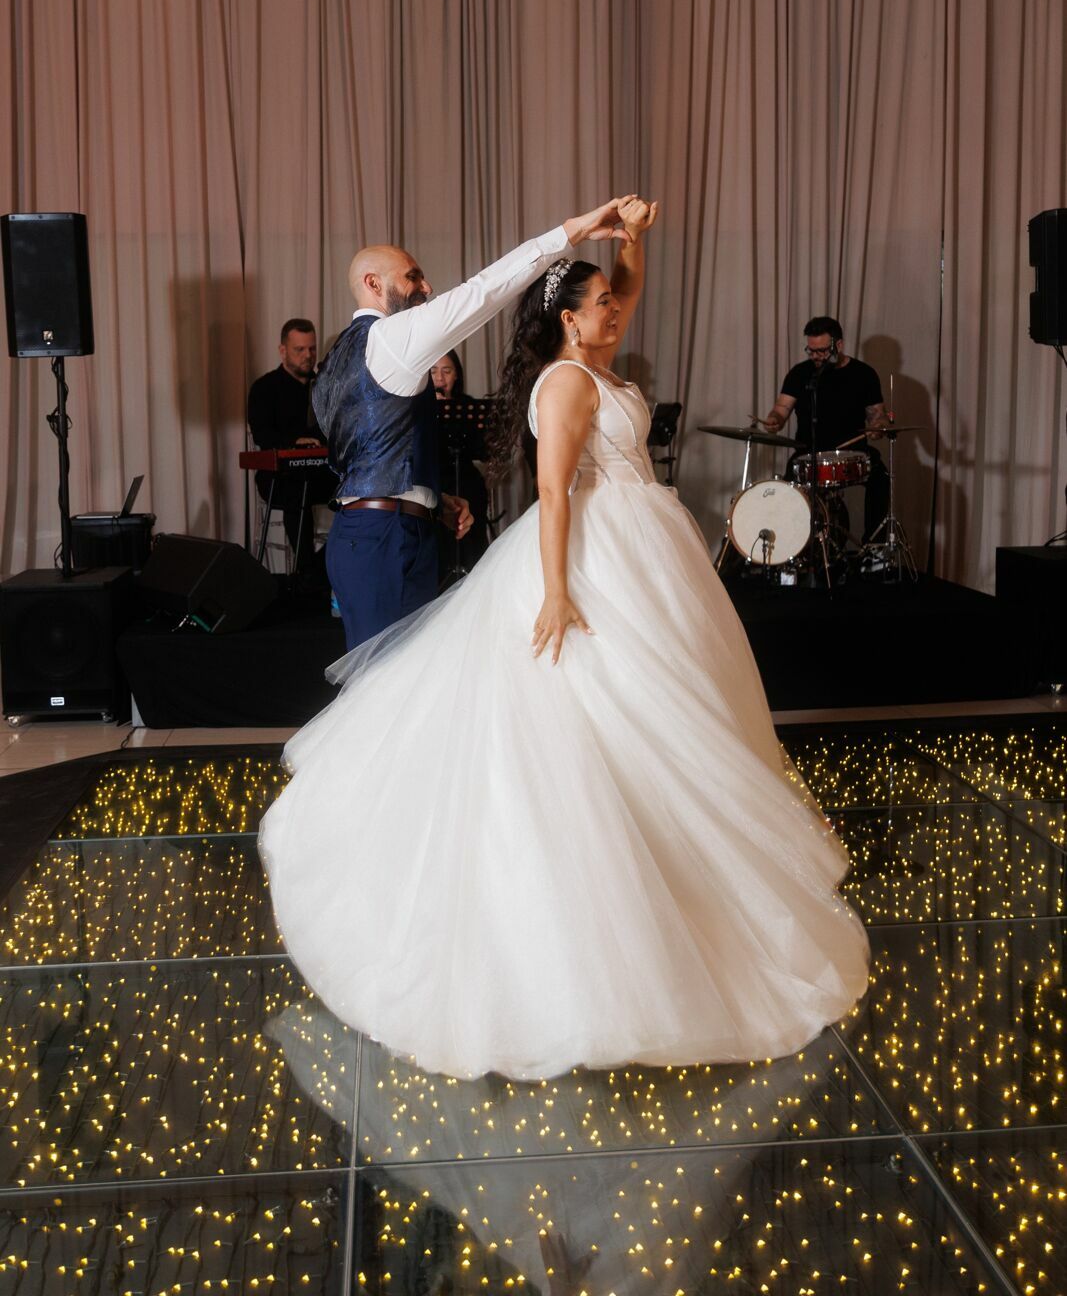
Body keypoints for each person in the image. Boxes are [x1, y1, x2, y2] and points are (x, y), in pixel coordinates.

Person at [260, 196, 870, 1082]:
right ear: (564, 318)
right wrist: (552, 593)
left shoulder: (598, 366)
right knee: (583, 712)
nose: (611, 311)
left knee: (661, 711)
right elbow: (553, 492)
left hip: (640, 551)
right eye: (593, 305)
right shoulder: (560, 381)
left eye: (611, 304)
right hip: (589, 555)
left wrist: (632, 250)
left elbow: (622, 291)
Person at [311, 202, 635, 651]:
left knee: (391, 687)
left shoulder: (334, 362)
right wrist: (571, 231)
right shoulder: (393, 338)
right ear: (373, 284)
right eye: (412, 277)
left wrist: (426, 497)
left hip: (363, 535)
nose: (426, 287)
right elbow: (484, 291)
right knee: (386, 691)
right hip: (387, 542)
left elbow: (366, 446)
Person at [760, 316, 891, 542]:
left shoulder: (863, 374)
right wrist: (775, 420)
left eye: (821, 351)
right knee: (787, 494)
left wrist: (877, 427)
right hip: (808, 453)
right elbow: (781, 408)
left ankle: (874, 547)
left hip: (852, 453)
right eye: (810, 351)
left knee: (881, 479)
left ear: (838, 345)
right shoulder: (800, 373)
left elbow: (878, 416)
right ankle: (793, 549)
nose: (815, 357)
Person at [247, 319, 337, 572]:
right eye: (300, 350)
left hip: (319, 473)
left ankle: (327, 567)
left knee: (358, 491)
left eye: (311, 349)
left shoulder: (323, 388)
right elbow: (262, 435)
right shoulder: (264, 388)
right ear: (283, 350)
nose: (307, 356)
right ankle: (307, 574)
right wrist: (294, 443)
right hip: (279, 478)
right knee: (298, 493)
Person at [432, 350, 492, 580]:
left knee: (472, 489)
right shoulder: (420, 409)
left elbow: (486, 452)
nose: (440, 378)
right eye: (434, 372)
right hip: (436, 477)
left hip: (464, 475)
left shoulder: (467, 407)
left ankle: (472, 567)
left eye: (446, 371)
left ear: (456, 375)